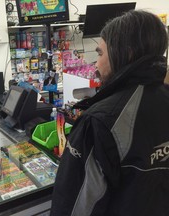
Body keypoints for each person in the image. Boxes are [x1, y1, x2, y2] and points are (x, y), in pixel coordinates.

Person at [50, 10, 169, 216]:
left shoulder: (100, 121)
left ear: (127, 53)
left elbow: (74, 203)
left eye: (100, 53)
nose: (96, 64)